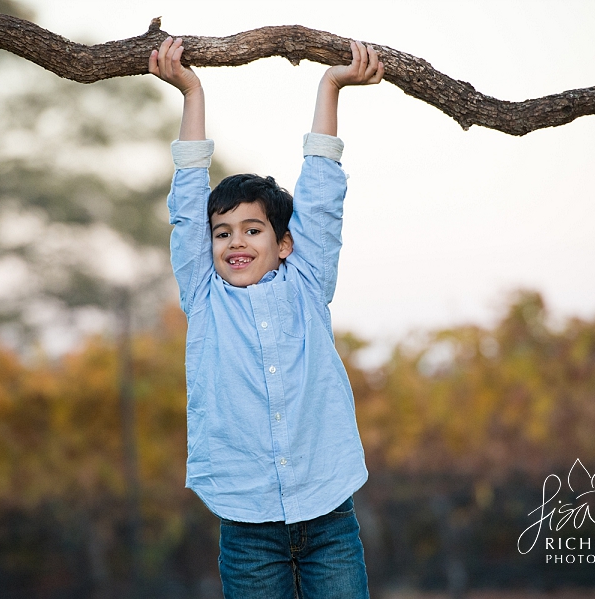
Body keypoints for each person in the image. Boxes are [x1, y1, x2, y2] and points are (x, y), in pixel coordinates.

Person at [150, 35, 383, 599]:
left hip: (329, 513)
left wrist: (330, 85)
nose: (236, 241)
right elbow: (187, 202)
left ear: (284, 244)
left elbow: (322, 193)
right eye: (222, 232)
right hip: (247, 523)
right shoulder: (204, 295)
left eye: (252, 230)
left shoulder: (307, 281)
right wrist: (192, 91)